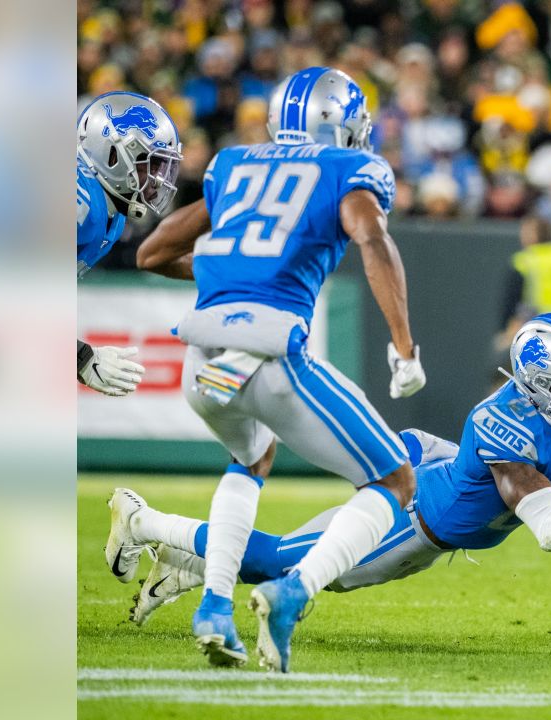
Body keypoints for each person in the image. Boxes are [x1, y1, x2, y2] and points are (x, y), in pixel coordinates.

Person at [111, 314, 551, 631]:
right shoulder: (511, 426)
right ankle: (143, 520)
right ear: (536, 390)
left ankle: (191, 563)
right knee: (286, 566)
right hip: (418, 513)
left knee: (289, 558)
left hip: (437, 460)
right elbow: (550, 530)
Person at [126, 67, 426, 673]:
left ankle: (213, 607)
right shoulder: (350, 170)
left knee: (251, 459)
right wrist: (403, 345)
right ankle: (293, 593)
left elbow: (152, 252)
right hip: (269, 353)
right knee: (396, 482)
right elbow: (370, 237)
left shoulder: (235, 163)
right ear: (340, 122)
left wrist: (227, 276)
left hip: (202, 358)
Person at [76, 91, 182, 397]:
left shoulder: (112, 214)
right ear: (112, 155)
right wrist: (80, 357)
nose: (159, 180)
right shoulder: (79, 203)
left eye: (163, 168)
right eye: (149, 165)